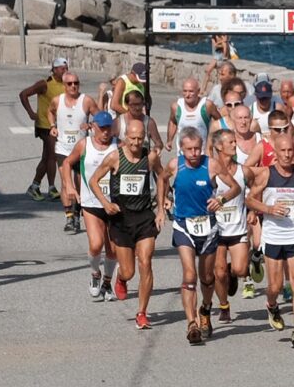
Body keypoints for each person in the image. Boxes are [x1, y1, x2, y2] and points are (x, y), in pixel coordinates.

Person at [158, 128, 240, 345]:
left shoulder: (211, 165)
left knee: (207, 278)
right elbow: (162, 179)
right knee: (189, 275)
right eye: (189, 149)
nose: (194, 153)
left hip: (209, 227)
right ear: (182, 149)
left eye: (197, 148)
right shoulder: (176, 165)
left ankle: (205, 308)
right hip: (183, 224)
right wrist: (161, 205)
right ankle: (191, 323)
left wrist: (221, 200)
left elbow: (235, 187)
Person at [89, 118, 163, 329]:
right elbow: (94, 180)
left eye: (140, 138)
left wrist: (161, 207)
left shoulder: (150, 157)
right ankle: (121, 278)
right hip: (121, 219)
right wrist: (105, 203)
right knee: (129, 271)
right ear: (125, 138)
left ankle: (142, 312)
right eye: (132, 138)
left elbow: (162, 176)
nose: (136, 143)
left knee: (146, 262)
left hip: (144, 218)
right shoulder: (115, 157)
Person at [246, 134, 294, 348]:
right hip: (274, 234)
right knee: (275, 286)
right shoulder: (267, 174)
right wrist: (268, 209)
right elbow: (249, 199)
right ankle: (271, 304)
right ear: (275, 153)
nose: (287, 155)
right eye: (283, 151)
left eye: (290, 151)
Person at [60, 110, 119, 302]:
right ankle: (95, 274)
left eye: (108, 128)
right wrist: (69, 185)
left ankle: (107, 283)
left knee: (113, 250)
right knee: (95, 244)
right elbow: (67, 163)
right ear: (93, 127)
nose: (105, 132)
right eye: (101, 128)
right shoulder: (84, 145)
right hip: (91, 202)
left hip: (113, 204)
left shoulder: (119, 146)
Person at [209, 129, 254, 323]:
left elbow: (254, 191)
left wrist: (253, 210)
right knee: (218, 272)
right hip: (217, 229)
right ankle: (224, 306)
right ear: (219, 146)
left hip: (238, 228)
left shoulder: (244, 171)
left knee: (241, 269)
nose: (235, 145)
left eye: (235, 142)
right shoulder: (210, 171)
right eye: (230, 142)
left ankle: (233, 273)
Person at [49, 71, 99, 233]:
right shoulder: (57, 101)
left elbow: (100, 119)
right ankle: (69, 216)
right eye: (70, 83)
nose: (73, 86)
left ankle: (77, 213)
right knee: (65, 182)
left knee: (79, 184)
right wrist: (52, 127)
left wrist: (90, 125)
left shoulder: (87, 101)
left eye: (76, 83)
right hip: (63, 149)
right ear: (64, 85)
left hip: (81, 149)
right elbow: (49, 112)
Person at [19, 57, 68, 201]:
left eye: (66, 68)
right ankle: (52, 188)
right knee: (52, 156)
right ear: (54, 69)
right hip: (45, 125)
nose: (65, 71)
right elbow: (23, 94)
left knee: (46, 157)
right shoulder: (45, 84)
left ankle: (34, 186)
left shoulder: (67, 84)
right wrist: (30, 112)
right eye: (61, 68)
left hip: (59, 126)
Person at [167, 78, 220, 151]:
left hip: (202, 153)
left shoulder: (207, 105)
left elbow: (220, 121)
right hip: (182, 153)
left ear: (198, 91)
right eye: (185, 91)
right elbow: (172, 122)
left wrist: (216, 140)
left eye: (191, 91)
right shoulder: (176, 106)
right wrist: (169, 140)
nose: (187, 95)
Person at [114, 90, 164, 155]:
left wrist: (157, 148)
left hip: (143, 159)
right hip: (123, 159)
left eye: (140, 104)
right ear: (127, 105)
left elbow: (159, 142)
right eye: (134, 105)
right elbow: (108, 140)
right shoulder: (118, 122)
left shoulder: (149, 122)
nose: (137, 108)